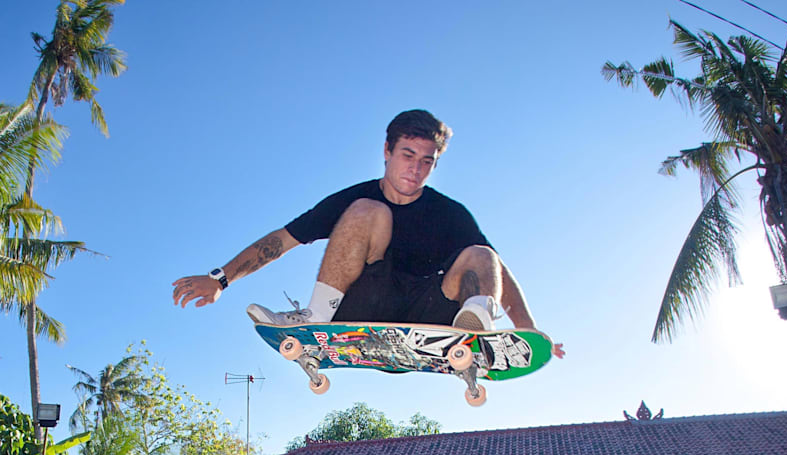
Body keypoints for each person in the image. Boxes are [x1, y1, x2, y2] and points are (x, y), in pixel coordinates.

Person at [172, 109, 538, 333]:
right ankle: (316, 318)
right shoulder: (352, 199)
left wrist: (527, 333)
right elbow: (281, 241)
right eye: (408, 154)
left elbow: (497, 271)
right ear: (386, 152)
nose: (416, 168)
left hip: (428, 309)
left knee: (482, 253)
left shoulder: (449, 212)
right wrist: (221, 279)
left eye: (427, 160)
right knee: (368, 211)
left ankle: (477, 329)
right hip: (367, 300)